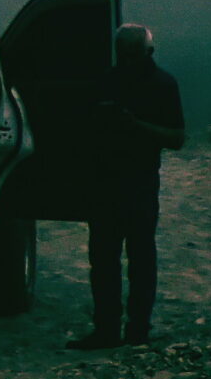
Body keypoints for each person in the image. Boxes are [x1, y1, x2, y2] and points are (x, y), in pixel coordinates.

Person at [68, 21, 185, 350]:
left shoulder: (155, 84)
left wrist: (133, 126)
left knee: (131, 259)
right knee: (114, 260)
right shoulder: (145, 82)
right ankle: (118, 330)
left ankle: (129, 330)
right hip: (117, 181)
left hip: (132, 182)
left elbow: (177, 138)